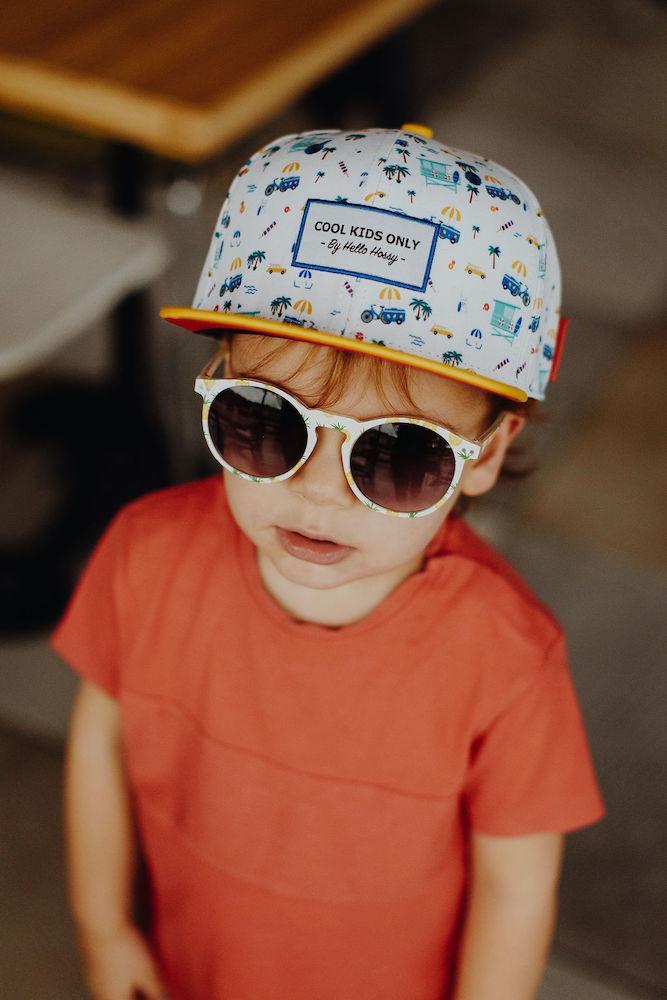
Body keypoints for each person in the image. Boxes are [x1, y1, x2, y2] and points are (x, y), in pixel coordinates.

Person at [52, 124, 605, 1000]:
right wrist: (103, 926)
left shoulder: (507, 658)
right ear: (216, 382)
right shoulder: (146, 554)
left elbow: (515, 884)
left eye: (396, 455)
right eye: (267, 422)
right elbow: (100, 741)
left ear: (486, 456)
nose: (317, 495)